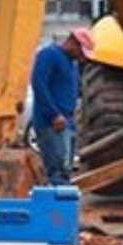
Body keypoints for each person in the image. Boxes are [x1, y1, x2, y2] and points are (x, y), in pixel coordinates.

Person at [30, 29, 94, 186]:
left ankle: (62, 207)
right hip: (53, 124)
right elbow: (39, 85)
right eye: (81, 52)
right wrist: (53, 115)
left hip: (66, 123)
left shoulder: (71, 64)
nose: (82, 57)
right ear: (73, 42)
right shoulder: (49, 55)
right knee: (57, 170)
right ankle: (57, 209)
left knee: (65, 170)